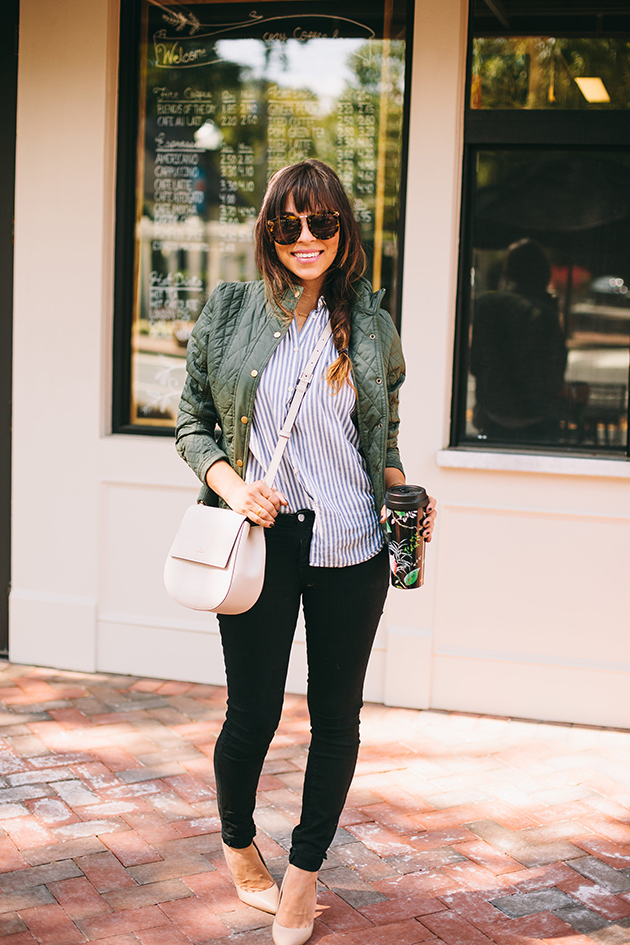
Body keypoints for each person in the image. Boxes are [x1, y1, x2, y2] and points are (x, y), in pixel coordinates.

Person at [176, 159, 437, 945]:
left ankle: (305, 871)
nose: (305, 238)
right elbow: (191, 422)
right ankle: (236, 841)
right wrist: (231, 483)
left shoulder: (372, 325)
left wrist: (407, 498)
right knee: (251, 713)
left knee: (336, 718)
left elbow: (379, 445)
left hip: (353, 541)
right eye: (288, 224)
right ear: (269, 231)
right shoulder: (230, 312)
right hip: (263, 541)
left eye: (320, 222)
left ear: (342, 230)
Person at [470, 238, 567, 443]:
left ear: (508, 272)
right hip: (537, 421)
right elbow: (549, 378)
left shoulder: (485, 306)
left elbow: (474, 363)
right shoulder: (543, 314)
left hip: (492, 414)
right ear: (544, 273)